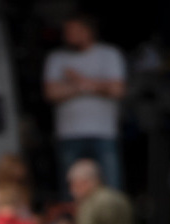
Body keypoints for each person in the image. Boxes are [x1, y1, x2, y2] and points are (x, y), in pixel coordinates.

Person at [43, 13, 125, 195]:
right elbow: (51, 93)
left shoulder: (108, 54)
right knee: (70, 189)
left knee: (111, 186)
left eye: (74, 30)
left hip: (103, 131)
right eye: (67, 31)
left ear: (89, 31)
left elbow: (118, 90)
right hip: (69, 133)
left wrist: (77, 82)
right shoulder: (57, 58)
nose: (69, 35)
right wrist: (95, 85)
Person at [68, 156, 132, 224]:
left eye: (74, 184)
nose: (72, 191)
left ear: (86, 182)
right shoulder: (121, 197)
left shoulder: (90, 204)